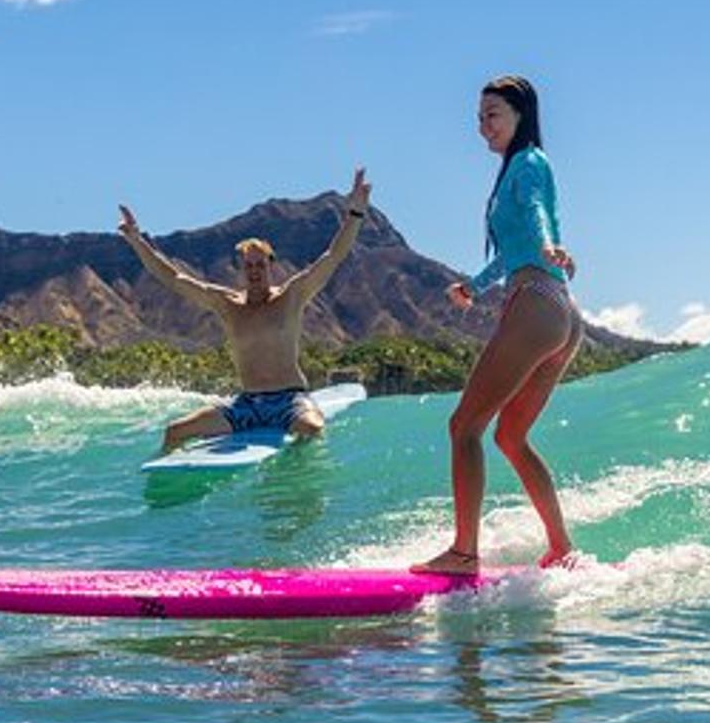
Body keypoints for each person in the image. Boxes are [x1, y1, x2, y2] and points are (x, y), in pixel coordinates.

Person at [413, 76, 583, 575]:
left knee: (464, 426)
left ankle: (464, 553)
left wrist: (552, 245)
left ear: (519, 116)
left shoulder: (528, 161)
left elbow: (536, 219)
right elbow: (514, 251)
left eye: (492, 114)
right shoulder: (515, 168)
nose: (482, 126)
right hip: (557, 311)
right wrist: (475, 285)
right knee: (510, 436)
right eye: (479, 117)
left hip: (537, 303)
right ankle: (560, 547)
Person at [119, 168, 372, 451]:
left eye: (260, 265)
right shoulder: (227, 304)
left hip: (289, 401)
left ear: (270, 266)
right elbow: (174, 278)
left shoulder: (292, 296)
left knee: (312, 429)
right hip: (246, 404)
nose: (254, 271)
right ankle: (167, 488)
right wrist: (136, 241)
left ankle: (294, 483)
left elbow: (333, 256)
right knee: (175, 431)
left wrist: (355, 214)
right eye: (248, 265)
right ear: (241, 268)